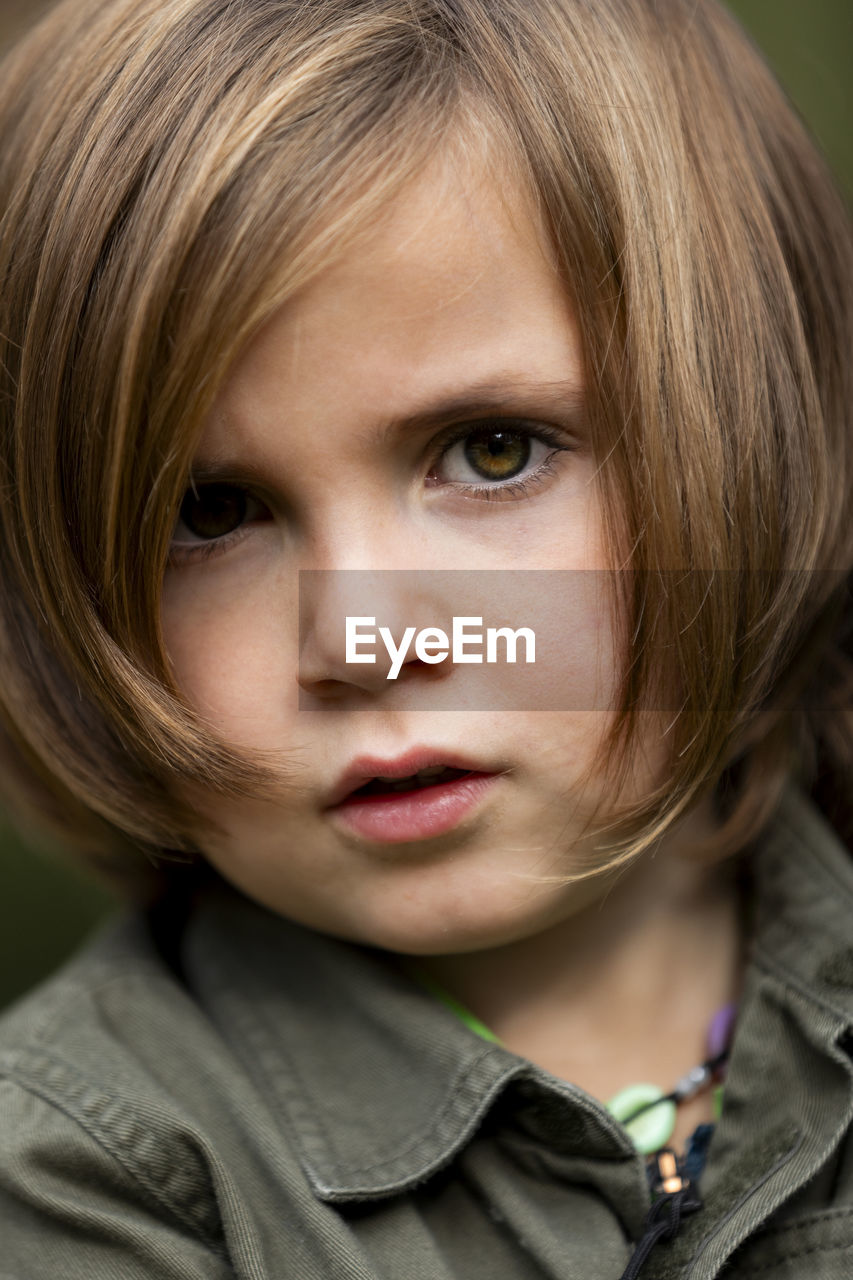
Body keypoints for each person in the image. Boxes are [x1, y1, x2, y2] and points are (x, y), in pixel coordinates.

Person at [0, 0, 851, 1275]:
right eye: (209, 512)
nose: (363, 642)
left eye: (491, 451)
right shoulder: (89, 1180)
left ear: (752, 432)